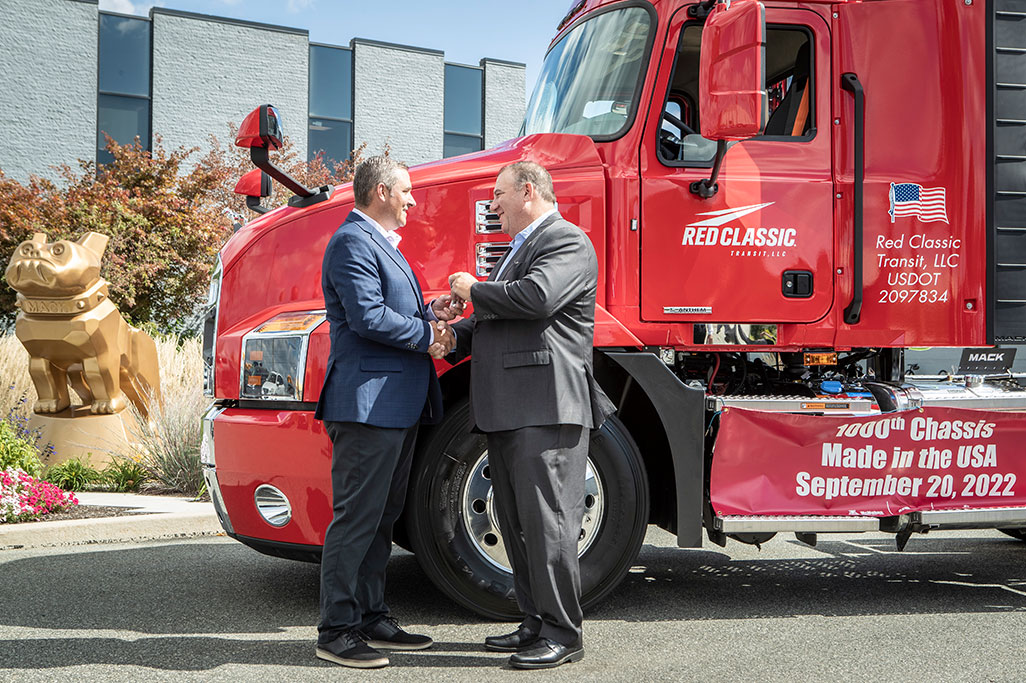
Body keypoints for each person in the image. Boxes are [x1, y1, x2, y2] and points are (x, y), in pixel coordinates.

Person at [447, 160, 615, 670]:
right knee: (518, 522)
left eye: (498, 195)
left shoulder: (565, 240)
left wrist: (472, 289)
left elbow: (537, 299)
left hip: (545, 407)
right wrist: (452, 336)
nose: (492, 204)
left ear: (527, 191)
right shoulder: (520, 249)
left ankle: (564, 633)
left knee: (549, 524)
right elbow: (500, 320)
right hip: (512, 408)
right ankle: (535, 622)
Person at [314, 155, 458, 669]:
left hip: (393, 404)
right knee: (356, 517)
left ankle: (371, 616)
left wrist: (430, 311)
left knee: (381, 517)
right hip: (368, 404)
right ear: (380, 191)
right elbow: (368, 317)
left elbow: (386, 310)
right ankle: (336, 630)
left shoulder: (377, 244)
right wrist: (429, 338)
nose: (413, 200)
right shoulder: (352, 241)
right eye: (407, 192)